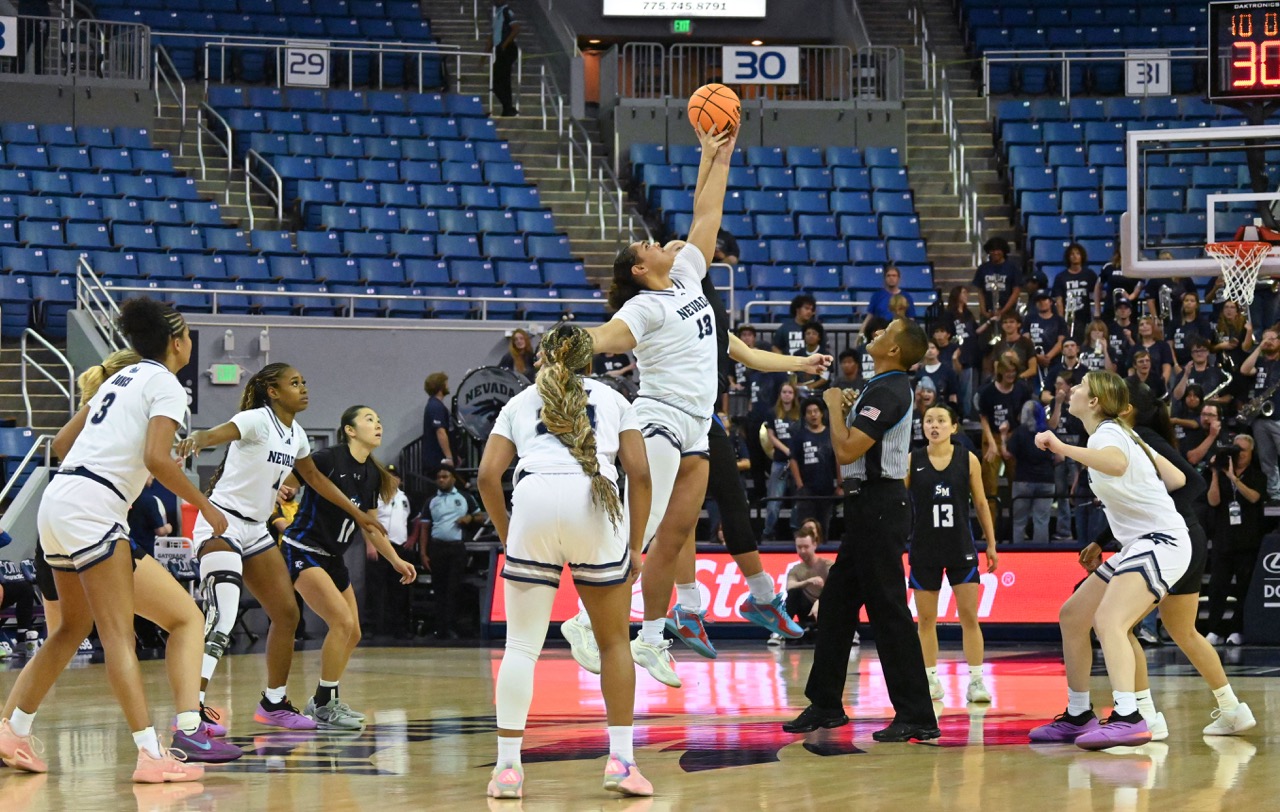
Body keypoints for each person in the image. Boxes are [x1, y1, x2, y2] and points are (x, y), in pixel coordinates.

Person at [0, 300, 230, 781]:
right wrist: (205, 505)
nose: (189, 341)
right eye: (187, 334)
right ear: (176, 341)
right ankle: (151, 756)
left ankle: (13, 729)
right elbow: (158, 458)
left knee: (70, 628)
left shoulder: (117, 379)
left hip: (58, 500)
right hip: (94, 509)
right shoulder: (165, 383)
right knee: (119, 635)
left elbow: (61, 445)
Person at [584, 123, 733, 688]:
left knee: (673, 536)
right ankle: (584, 621)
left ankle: (650, 639)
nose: (655, 241)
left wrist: (715, 155)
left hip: (698, 421)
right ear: (639, 271)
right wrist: (572, 342)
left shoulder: (688, 274)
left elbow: (706, 215)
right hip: (661, 417)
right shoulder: (646, 307)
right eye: (644, 247)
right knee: (640, 535)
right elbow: (610, 338)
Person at [477, 324, 654, 799]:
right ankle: (621, 763)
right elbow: (639, 473)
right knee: (615, 644)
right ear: (589, 362)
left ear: (543, 359)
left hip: (533, 500)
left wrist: (507, 532)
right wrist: (635, 544)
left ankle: (508, 771)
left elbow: (487, 476)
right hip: (595, 504)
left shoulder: (518, 402)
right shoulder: (616, 399)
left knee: (520, 648)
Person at [178, 364, 388, 733]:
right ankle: (190, 711)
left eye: (304, 382)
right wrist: (198, 438)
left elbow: (314, 479)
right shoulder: (257, 419)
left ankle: (273, 703)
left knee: (286, 614)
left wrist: (359, 514)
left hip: (256, 530)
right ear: (273, 392)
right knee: (222, 616)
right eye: (294, 383)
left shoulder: (297, 435)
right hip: (221, 521)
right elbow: (218, 433)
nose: (303, 388)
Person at [783, 318, 941, 743]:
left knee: (888, 609)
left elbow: (849, 447)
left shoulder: (891, 389)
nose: (877, 334)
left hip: (879, 504)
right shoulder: (882, 386)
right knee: (835, 606)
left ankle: (918, 714)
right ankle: (826, 704)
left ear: (894, 351)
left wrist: (834, 405)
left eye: (885, 332)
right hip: (865, 506)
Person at [1075, 379, 1255, 739]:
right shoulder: (1133, 435)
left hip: (1169, 540)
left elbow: (1191, 483)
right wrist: (1103, 538)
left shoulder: (1133, 437)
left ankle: (1143, 715)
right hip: (1184, 539)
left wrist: (1160, 516)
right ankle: (1232, 708)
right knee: (1182, 630)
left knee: (1118, 624)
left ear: (1124, 409)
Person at [1028, 371, 1192, 749]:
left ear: (1095, 401)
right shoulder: (1122, 433)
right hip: (1139, 542)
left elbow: (1116, 466)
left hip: (1161, 541)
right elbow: (1176, 479)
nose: (1073, 389)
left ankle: (1128, 716)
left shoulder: (1106, 434)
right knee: (1073, 616)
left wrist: (1060, 447)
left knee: (1109, 621)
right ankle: (1078, 714)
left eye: (1082, 386)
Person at [282, 405, 417, 728]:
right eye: (369, 418)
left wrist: (396, 560)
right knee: (341, 622)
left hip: (333, 557)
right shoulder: (328, 458)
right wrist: (282, 492)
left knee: (353, 632)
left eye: (379, 418)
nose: (378, 423)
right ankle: (326, 704)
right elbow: (286, 484)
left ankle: (321, 700)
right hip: (304, 547)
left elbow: (370, 526)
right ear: (350, 430)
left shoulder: (372, 473)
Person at [908, 404, 998, 704]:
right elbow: (898, 504)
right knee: (925, 620)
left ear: (954, 427)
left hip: (961, 546)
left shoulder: (967, 459)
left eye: (941, 421)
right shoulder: (913, 460)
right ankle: (930, 680)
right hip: (924, 548)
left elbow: (982, 503)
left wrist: (992, 543)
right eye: (928, 421)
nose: (934, 426)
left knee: (969, 617)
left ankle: (975, 682)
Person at [1204, 435, 1266, 645]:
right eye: (1236, 450)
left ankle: (1237, 629)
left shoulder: (1257, 475)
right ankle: (1214, 629)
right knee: (1216, 587)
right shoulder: (1220, 473)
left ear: (1251, 454)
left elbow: (1254, 497)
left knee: (1244, 589)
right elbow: (1213, 501)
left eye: (1243, 451)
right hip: (1223, 539)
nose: (1239, 454)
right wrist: (1216, 473)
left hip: (1247, 541)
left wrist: (1234, 478)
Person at [423, 463, 485, 640]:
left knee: (453, 589)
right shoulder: (431, 501)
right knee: (439, 589)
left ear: (452, 478)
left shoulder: (465, 497)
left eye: (445, 476)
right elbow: (425, 527)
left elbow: (480, 516)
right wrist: (423, 553)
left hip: (456, 547)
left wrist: (469, 518)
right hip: (437, 547)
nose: (441, 480)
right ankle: (439, 628)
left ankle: (451, 626)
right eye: (439, 477)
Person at [976, 359, 1031, 518]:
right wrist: (993, 444)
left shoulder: (1021, 389)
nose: (1011, 374)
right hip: (992, 436)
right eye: (1007, 371)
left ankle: (1018, 529)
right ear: (1000, 371)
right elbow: (983, 418)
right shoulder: (987, 392)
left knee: (1018, 483)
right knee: (990, 487)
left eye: (1013, 371)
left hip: (1014, 436)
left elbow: (1025, 413)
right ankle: (989, 531)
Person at [369, 468, 414, 639]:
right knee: (377, 589)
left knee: (399, 590)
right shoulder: (377, 496)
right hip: (380, 548)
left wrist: (411, 538)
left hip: (400, 547)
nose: (393, 479)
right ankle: (377, 629)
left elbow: (412, 519)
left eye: (396, 476)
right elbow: (369, 522)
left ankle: (399, 628)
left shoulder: (404, 498)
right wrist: (370, 545)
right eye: (389, 476)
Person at [1238, 325, 1280, 501]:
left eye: (1272, 338)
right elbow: (1244, 370)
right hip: (1260, 419)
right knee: (1267, 460)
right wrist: (1258, 348)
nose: (1268, 342)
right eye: (1265, 338)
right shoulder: (1261, 362)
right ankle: (1275, 495)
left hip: (1278, 417)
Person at [789, 398, 839, 539]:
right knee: (806, 527)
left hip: (827, 488)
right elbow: (793, 460)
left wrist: (840, 484)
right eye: (809, 412)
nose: (813, 414)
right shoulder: (799, 436)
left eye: (816, 411)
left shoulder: (831, 434)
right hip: (807, 490)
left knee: (824, 526)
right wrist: (800, 485)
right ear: (805, 416)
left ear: (822, 413)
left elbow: (838, 460)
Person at [777, 524, 831, 643]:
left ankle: (852, 632)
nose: (802, 551)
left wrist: (820, 601)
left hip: (827, 609)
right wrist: (808, 581)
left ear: (814, 545)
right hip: (806, 611)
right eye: (799, 547)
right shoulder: (795, 569)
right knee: (794, 592)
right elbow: (789, 587)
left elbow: (837, 589)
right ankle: (781, 631)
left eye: (806, 547)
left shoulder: (827, 565)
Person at [763, 381, 800, 541]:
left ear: (794, 395)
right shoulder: (772, 413)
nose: (787, 395)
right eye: (784, 392)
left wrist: (794, 453)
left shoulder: (799, 413)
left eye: (790, 392)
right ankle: (768, 532)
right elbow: (771, 436)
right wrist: (786, 450)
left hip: (797, 463)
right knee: (774, 502)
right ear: (780, 394)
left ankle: (797, 533)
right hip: (779, 462)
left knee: (798, 501)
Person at [1053, 243, 1098, 343]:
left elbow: (1097, 294)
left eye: (1078, 253)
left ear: (1082, 256)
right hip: (1069, 318)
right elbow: (1059, 300)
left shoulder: (1089, 275)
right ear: (1068, 257)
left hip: (1085, 317)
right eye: (1072, 254)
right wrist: (1062, 321)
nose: (1075, 256)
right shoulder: (1061, 277)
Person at [973, 236, 1022, 328]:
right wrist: (984, 312)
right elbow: (980, 291)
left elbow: (1016, 291)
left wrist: (1003, 311)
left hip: (1008, 314)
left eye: (998, 250)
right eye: (992, 250)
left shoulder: (1013, 268)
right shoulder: (983, 268)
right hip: (988, 314)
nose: (995, 253)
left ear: (1004, 251)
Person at [1024, 291, 1068, 387]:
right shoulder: (1029, 319)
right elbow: (1025, 340)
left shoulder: (1059, 320)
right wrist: (1037, 356)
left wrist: (1048, 357)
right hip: (1034, 361)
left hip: (1055, 361)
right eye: (1038, 300)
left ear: (1051, 302)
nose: (1041, 302)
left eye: (1044, 299)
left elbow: (1061, 341)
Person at [860, 266, 916, 340]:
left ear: (898, 278)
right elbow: (870, 316)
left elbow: (910, 318)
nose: (891, 278)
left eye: (894, 275)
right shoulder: (877, 296)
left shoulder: (906, 297)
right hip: (880, 333)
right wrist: (861, 333)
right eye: (888, 275)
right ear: (885, 278)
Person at [1167, 291, 1213, 374]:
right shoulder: (1175, 322)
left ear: (1197, 305)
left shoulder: (1202, 323)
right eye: (1186, 300)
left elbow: (1206, 346)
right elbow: (1169, 345)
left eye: (1192, 301)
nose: (1188, 303)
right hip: (1178, 365)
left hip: (1197, 365)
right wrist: (1176, 365)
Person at [422, 372, 456, 481]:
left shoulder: (435, 405)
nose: (448, 386)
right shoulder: (435, 407)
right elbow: (440, 432)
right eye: (446, 383)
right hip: (437, 461)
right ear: (440, 387)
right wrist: (449, 457)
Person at [490, 0, 520, 116]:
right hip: (500, 49)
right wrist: (483, 56)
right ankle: (507, 108)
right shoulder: (497, 14)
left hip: (507, 48)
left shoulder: (507, 11)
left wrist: (504, 44)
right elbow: (492, 36)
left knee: (501, 80)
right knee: (499, 81)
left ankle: (508, 108)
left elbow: (516, 28)